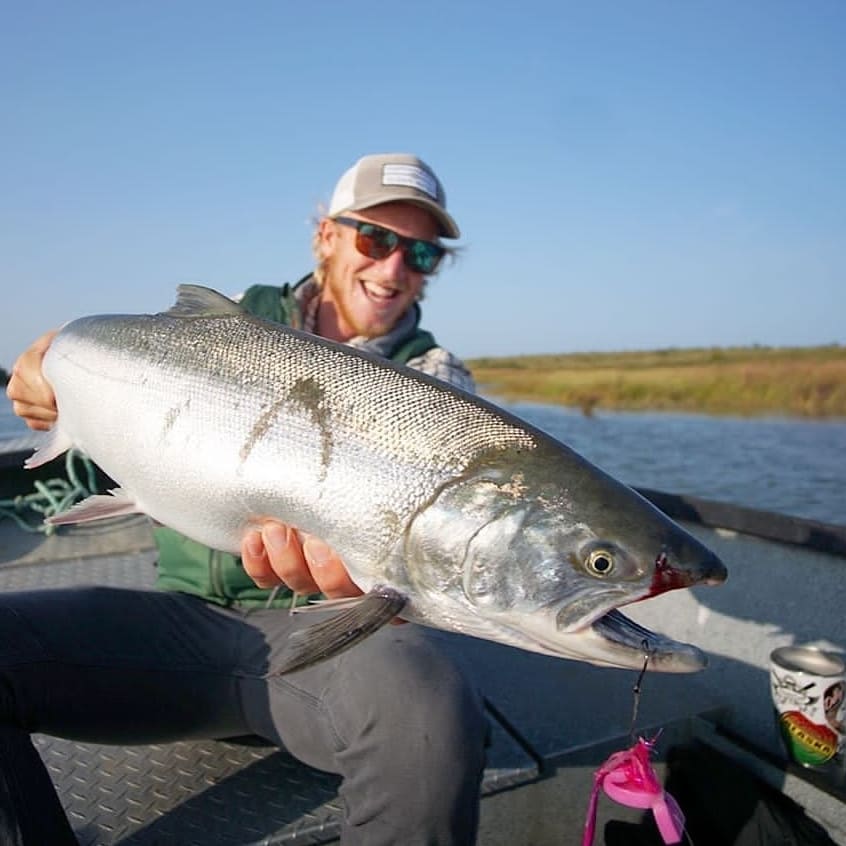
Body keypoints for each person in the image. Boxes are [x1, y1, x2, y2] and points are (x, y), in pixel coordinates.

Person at [4, 153, 487, 846]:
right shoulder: (232, 317)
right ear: (326, 234)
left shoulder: (441, 384)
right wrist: (46, 362)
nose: (393, 270)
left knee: (429, 716)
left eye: (420, 254)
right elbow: (108, 356)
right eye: (376, 240)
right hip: (181, 623)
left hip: (345, 642)